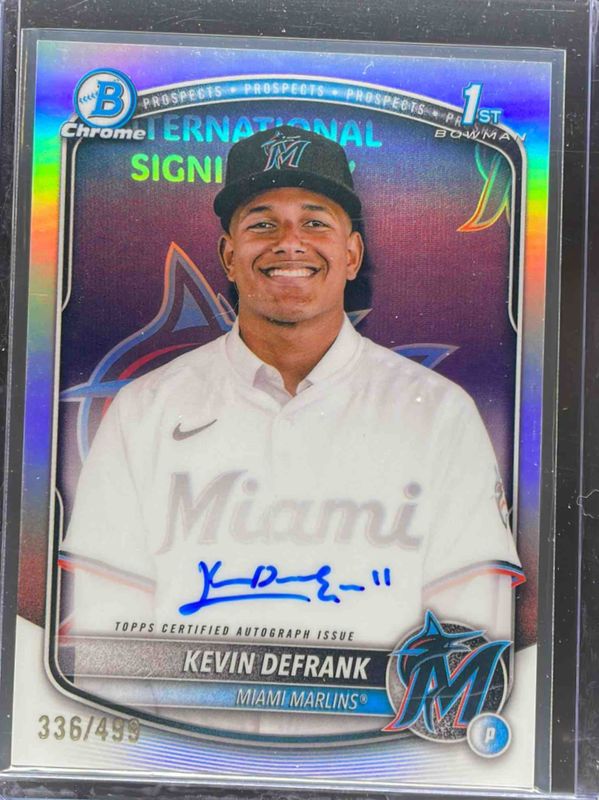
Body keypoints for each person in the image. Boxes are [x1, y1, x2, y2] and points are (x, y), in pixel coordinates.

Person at [60, 126, 523, 737]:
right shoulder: (143, 409)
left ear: (351, 254)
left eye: (314, 221)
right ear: (228, 255)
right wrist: (180, 758)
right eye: (262, 223)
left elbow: (470, 642)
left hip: (373, 764)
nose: (289, 242)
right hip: (190, 761)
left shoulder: (438, 413)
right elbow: (104, 637)